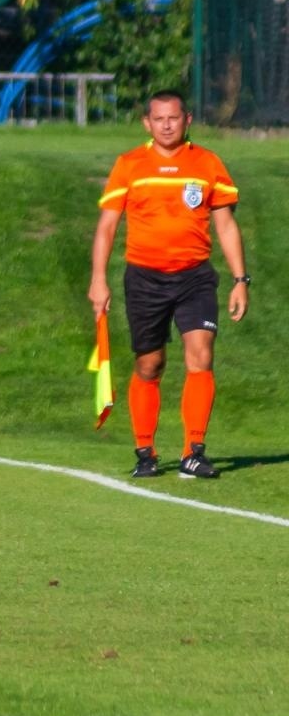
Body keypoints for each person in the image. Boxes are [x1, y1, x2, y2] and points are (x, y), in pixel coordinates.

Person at [89, 89, 249, 479]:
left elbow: (225, 225)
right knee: (150, 363)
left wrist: (240, 280)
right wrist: (98, 280)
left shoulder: (208, 163)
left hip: (195, 276)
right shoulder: (130, 165)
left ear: (187, 120)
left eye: (173, 118)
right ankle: (146, 451)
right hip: (144, 278)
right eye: (158, 118)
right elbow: (107, 226)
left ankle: (194, 451)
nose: (166, 124)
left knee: (201, 354)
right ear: (147, 122)